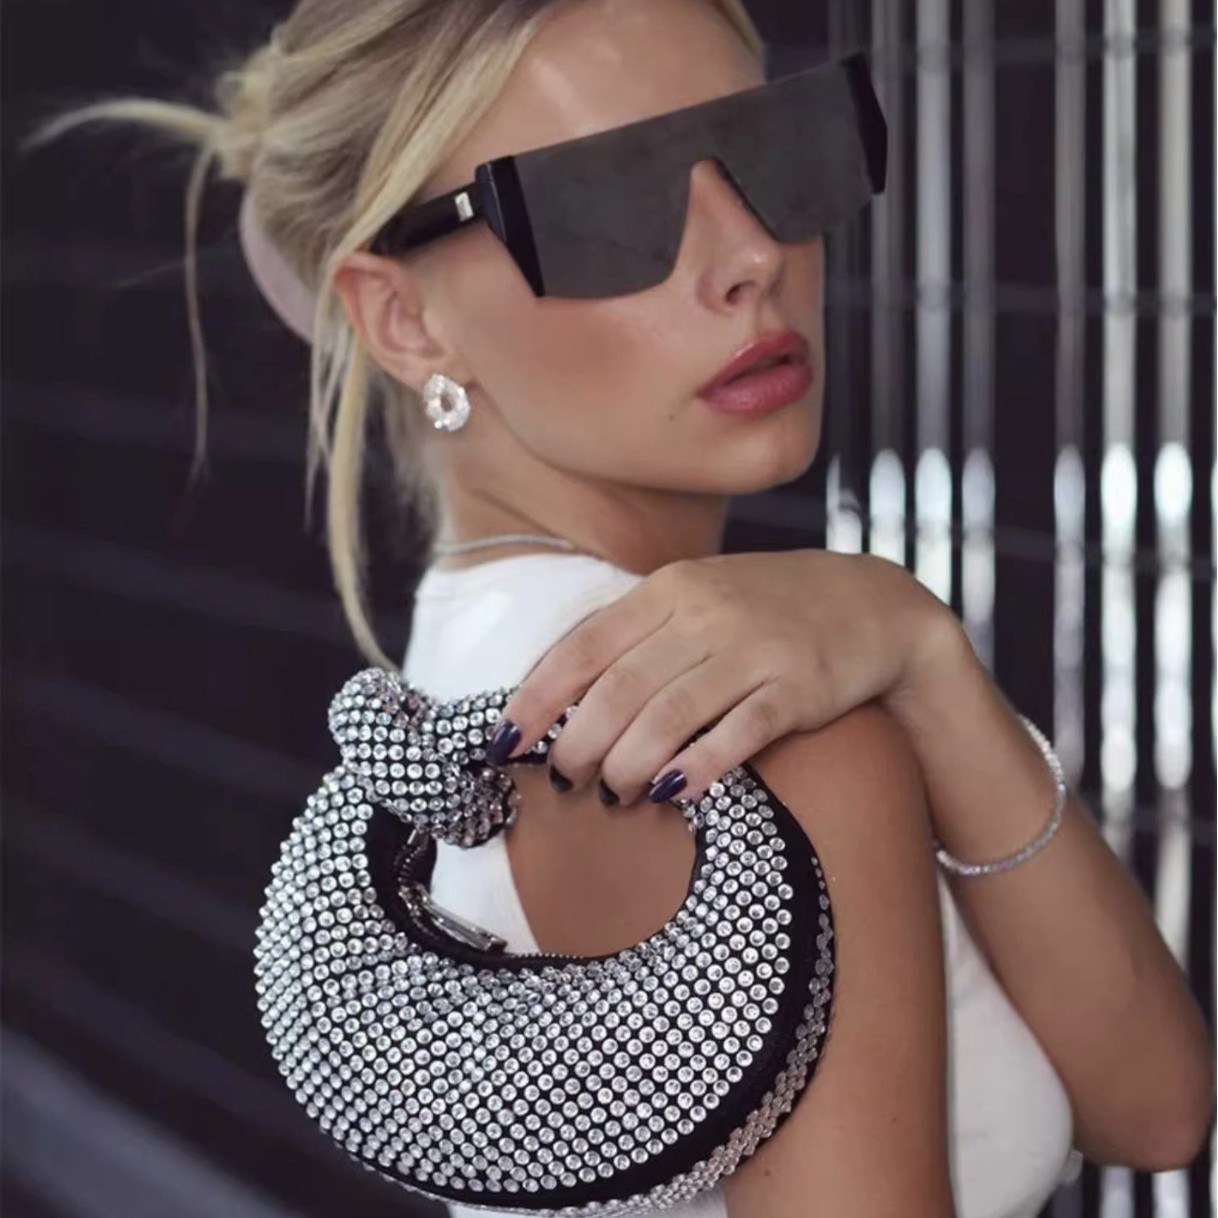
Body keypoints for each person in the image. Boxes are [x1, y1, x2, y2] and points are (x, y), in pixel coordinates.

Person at [25, 0, 1214, 1214]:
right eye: (606, 201)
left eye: (774, 146)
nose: (751, 254)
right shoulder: (730, 734)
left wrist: (922, 648)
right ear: (404, 318)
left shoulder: (485, 648)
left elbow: (1156, 1105)